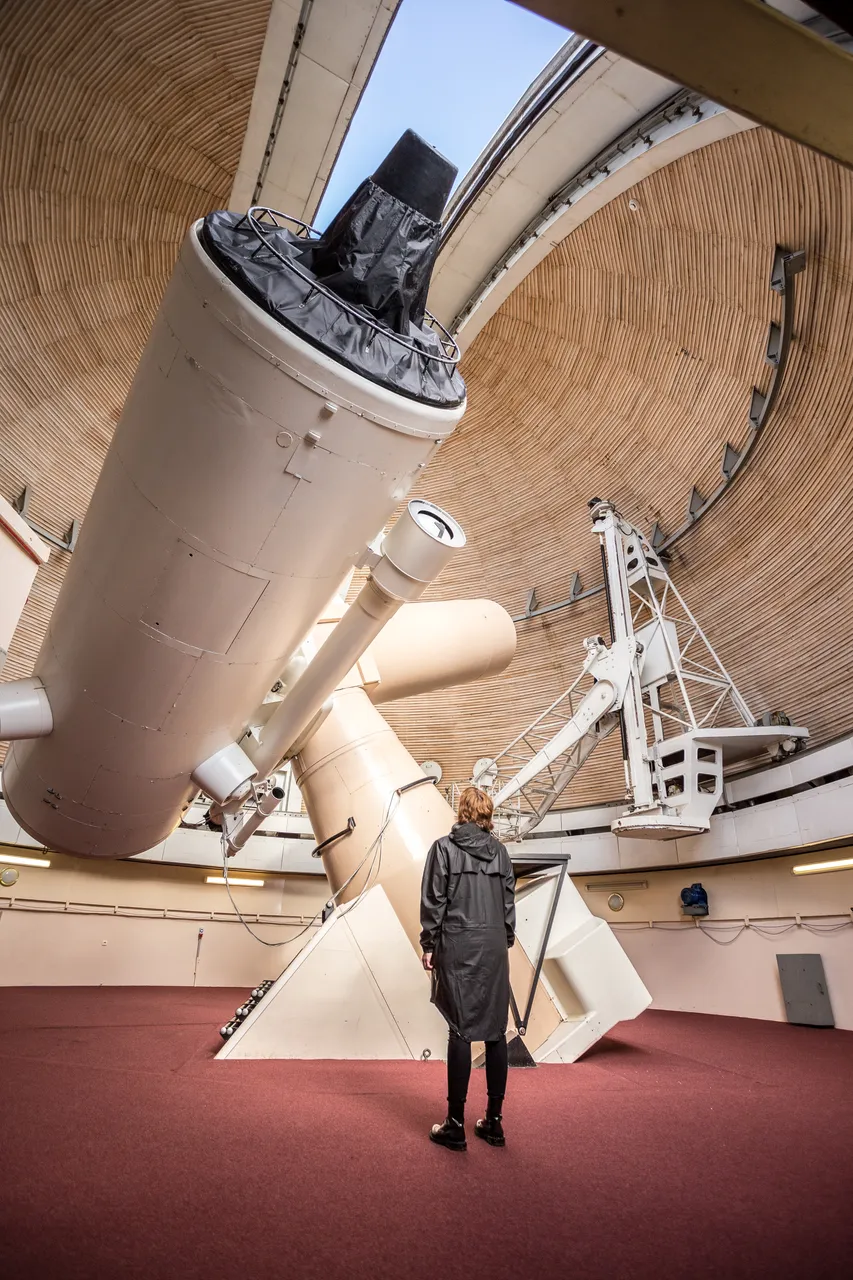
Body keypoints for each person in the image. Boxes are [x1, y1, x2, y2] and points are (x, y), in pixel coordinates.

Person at [419, 785, 516, 1152]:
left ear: (461, 812)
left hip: (458, 945)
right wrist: (503, 940)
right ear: (488, 814)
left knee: (460, 1030)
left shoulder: (443, 849)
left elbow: (433, 901)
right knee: (495, 1031)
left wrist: (429, 944)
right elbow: (509, 903)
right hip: (493, 947)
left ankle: (456, 1125)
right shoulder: (502, 854)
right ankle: (493, 1123)